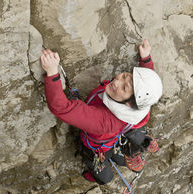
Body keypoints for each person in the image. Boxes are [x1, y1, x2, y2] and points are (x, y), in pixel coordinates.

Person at [40, 39, 162, 184]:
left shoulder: (104, 122)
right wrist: (146, 59)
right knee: (119, 158)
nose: (117, 82)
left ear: (129, 104)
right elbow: (147, 85)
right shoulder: (140, 105)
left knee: (105, 177)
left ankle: (92, 175)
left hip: (96, 146)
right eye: (124, 76)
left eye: (124, 88)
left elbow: (61, 108)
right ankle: (130, 150)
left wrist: (52, 73)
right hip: (110, 140)